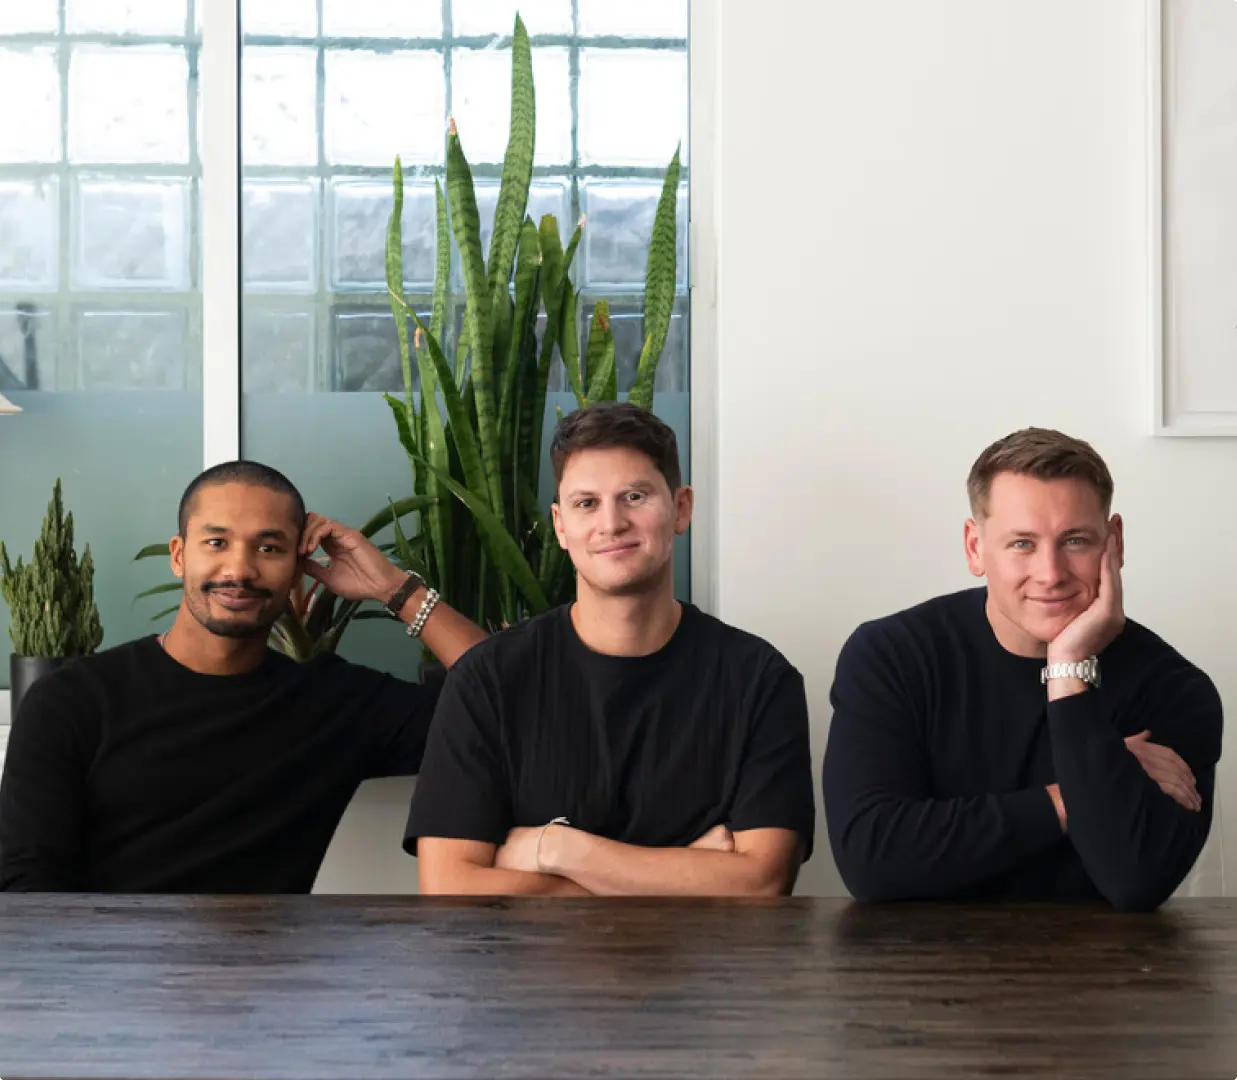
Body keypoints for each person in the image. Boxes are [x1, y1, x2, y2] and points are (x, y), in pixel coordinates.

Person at [0, 461, 486, 892]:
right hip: (103, 963)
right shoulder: (71, 701)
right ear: (178, 555)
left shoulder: (337, 705)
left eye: (269, 548)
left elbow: (504, 701)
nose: (239, 569)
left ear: (297, 570)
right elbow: (25, 889)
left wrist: (394, 588)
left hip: (271, 965)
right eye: (216, 542)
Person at [405, 402, 816, 896]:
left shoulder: (759, 679)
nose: (611, 523)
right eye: (586, 503)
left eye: (634, 496)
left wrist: (558, 850)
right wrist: (691, 877)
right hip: (526, 953)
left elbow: (763, 882)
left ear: (681, 508)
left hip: (701, 956)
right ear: (560, 525)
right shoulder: (488, 678)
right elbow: (448, 884)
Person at [822, 428, 1223, 911]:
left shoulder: (1175, 690)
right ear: (975, 547)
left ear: (1113, 543)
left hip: (1103, 958)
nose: (1050, 573)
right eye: (1022, 544)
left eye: (1074, 540)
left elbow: (1136, 882)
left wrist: (1068, 670)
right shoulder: (892, 656)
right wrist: (1075, 793)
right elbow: (871, 861)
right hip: (918, 955)